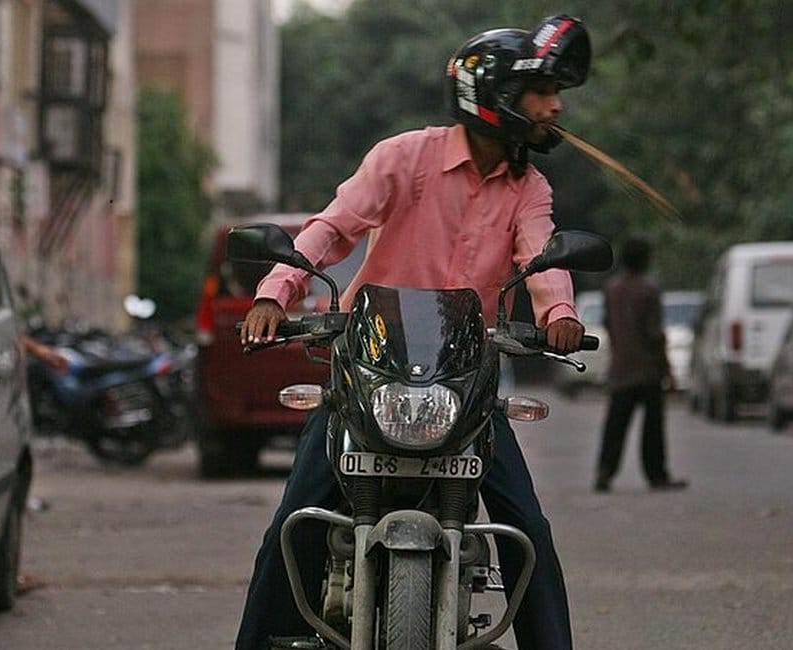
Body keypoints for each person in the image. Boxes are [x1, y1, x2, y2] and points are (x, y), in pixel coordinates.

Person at [236, 15, 592, 650]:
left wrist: (558, 314)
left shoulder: (529, 187)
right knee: (295, 520)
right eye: (541, 92)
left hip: (465, 379)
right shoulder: (404, 158)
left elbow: (542, 257)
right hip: (368, 369)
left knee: (528, 530)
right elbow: (333, 227)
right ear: (495, 97)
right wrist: (274, 292)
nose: (555, 106)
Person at [594, 236, 688, 493]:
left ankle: (604, 471)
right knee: (653, 427)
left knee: (615, 425)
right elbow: (655, 334)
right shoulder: (649, 290)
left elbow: (609, 324)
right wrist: (666, 370)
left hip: (621, 367)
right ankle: (656, 474)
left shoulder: (612, 289)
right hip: (647, 369)